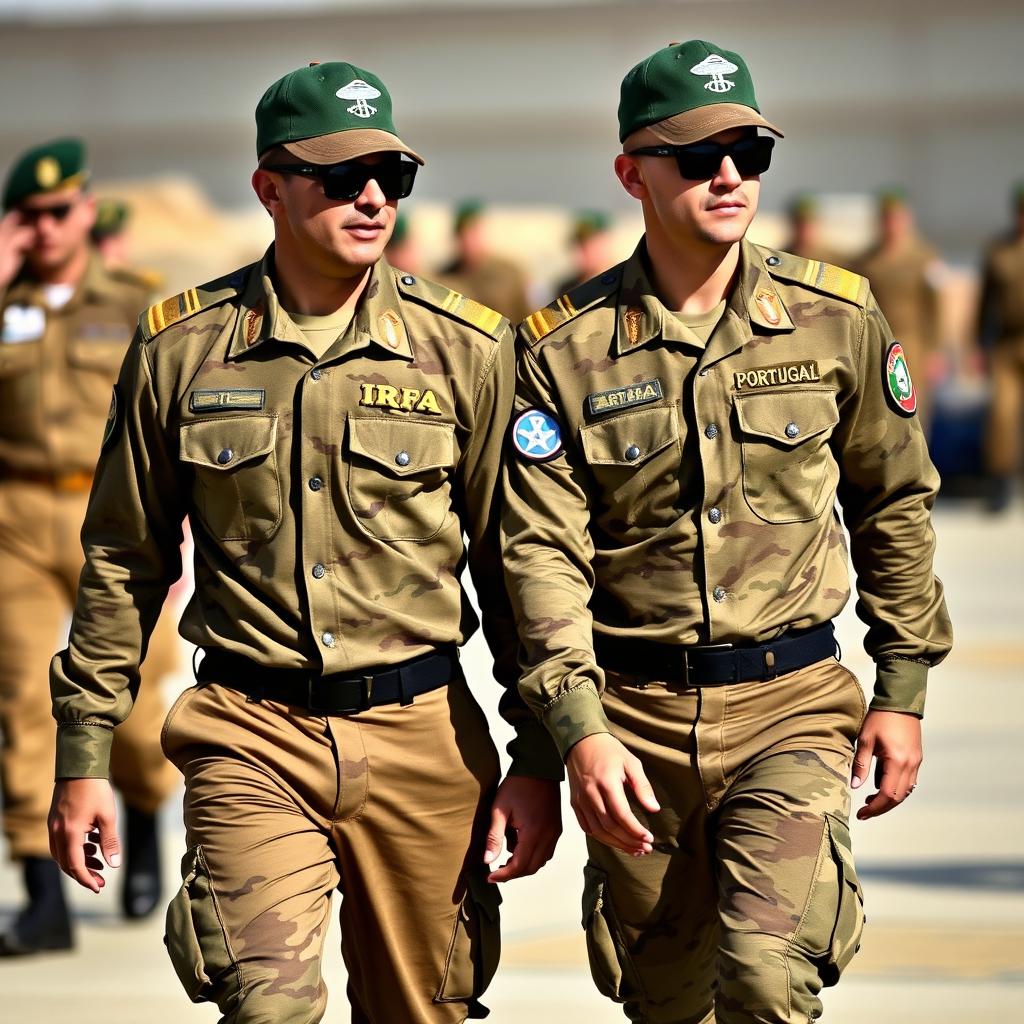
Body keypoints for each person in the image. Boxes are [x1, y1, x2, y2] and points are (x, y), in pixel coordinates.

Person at [47, 61, 562, 1022]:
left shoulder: (471, 348)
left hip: (423, 740)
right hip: (251, 729)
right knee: (266, 1006)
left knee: (423, 1012)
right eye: (339, 176)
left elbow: (518, 566)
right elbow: (125, 559)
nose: (371, 197)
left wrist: (539, 756)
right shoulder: (181, 349)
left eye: (391, 177)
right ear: (269, 188)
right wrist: (84, 758)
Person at [501, 40, 952, 1024]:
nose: (728, 175)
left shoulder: (834, 317)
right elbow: (538, 562)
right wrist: (569, 737)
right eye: (699, 154)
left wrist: (903, 686)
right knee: (663, 1001)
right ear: (630, 173)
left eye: (749, 152)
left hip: (791, 705)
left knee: (765, 978)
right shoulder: (557, 351)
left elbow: (893, 503)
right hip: (634, 721)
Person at [0, 138, 179, 956]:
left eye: (55, 213)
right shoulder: (6, 302)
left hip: (122, 515)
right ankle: (43, 898)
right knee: (25, 706)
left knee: (138, 711)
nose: (42, 230)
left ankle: (142, 820)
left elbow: (172, 418)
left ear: (83, 212)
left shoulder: (137, 301)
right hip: (18, 516)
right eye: (26, 217)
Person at [856, 188, 945, 427]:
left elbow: (935, 307)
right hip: (877, 341)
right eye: (886, 218)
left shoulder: (923, 257)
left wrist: (935, 350)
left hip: (912, 343)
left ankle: (917, 462)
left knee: (914, 407)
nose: (891, 224)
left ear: (906, 218)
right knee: (877, 407)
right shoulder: (866, 260)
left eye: (896, 217)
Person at [978, 182, 1024, 512]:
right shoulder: (999, 249)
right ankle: (1001, 483)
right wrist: (979, 343)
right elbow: (985, 301)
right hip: (1007, 344)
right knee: (1001, 416)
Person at [440, 199, 532, 324]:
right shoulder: (444, 277)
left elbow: (527, 318)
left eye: (474, 232)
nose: (468, 240)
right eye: (463, 234)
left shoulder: (509, 273)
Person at [554, 210, 615, 296]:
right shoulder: (567, 288)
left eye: (588, 244)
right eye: (578, 243)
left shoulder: (624, 282)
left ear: (605, 242)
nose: (581, 251)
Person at [785, 192, 844, 266]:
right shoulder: (781, 259)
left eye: (810, 222)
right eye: (800, 222)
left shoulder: (836, 263)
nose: (805, 229)